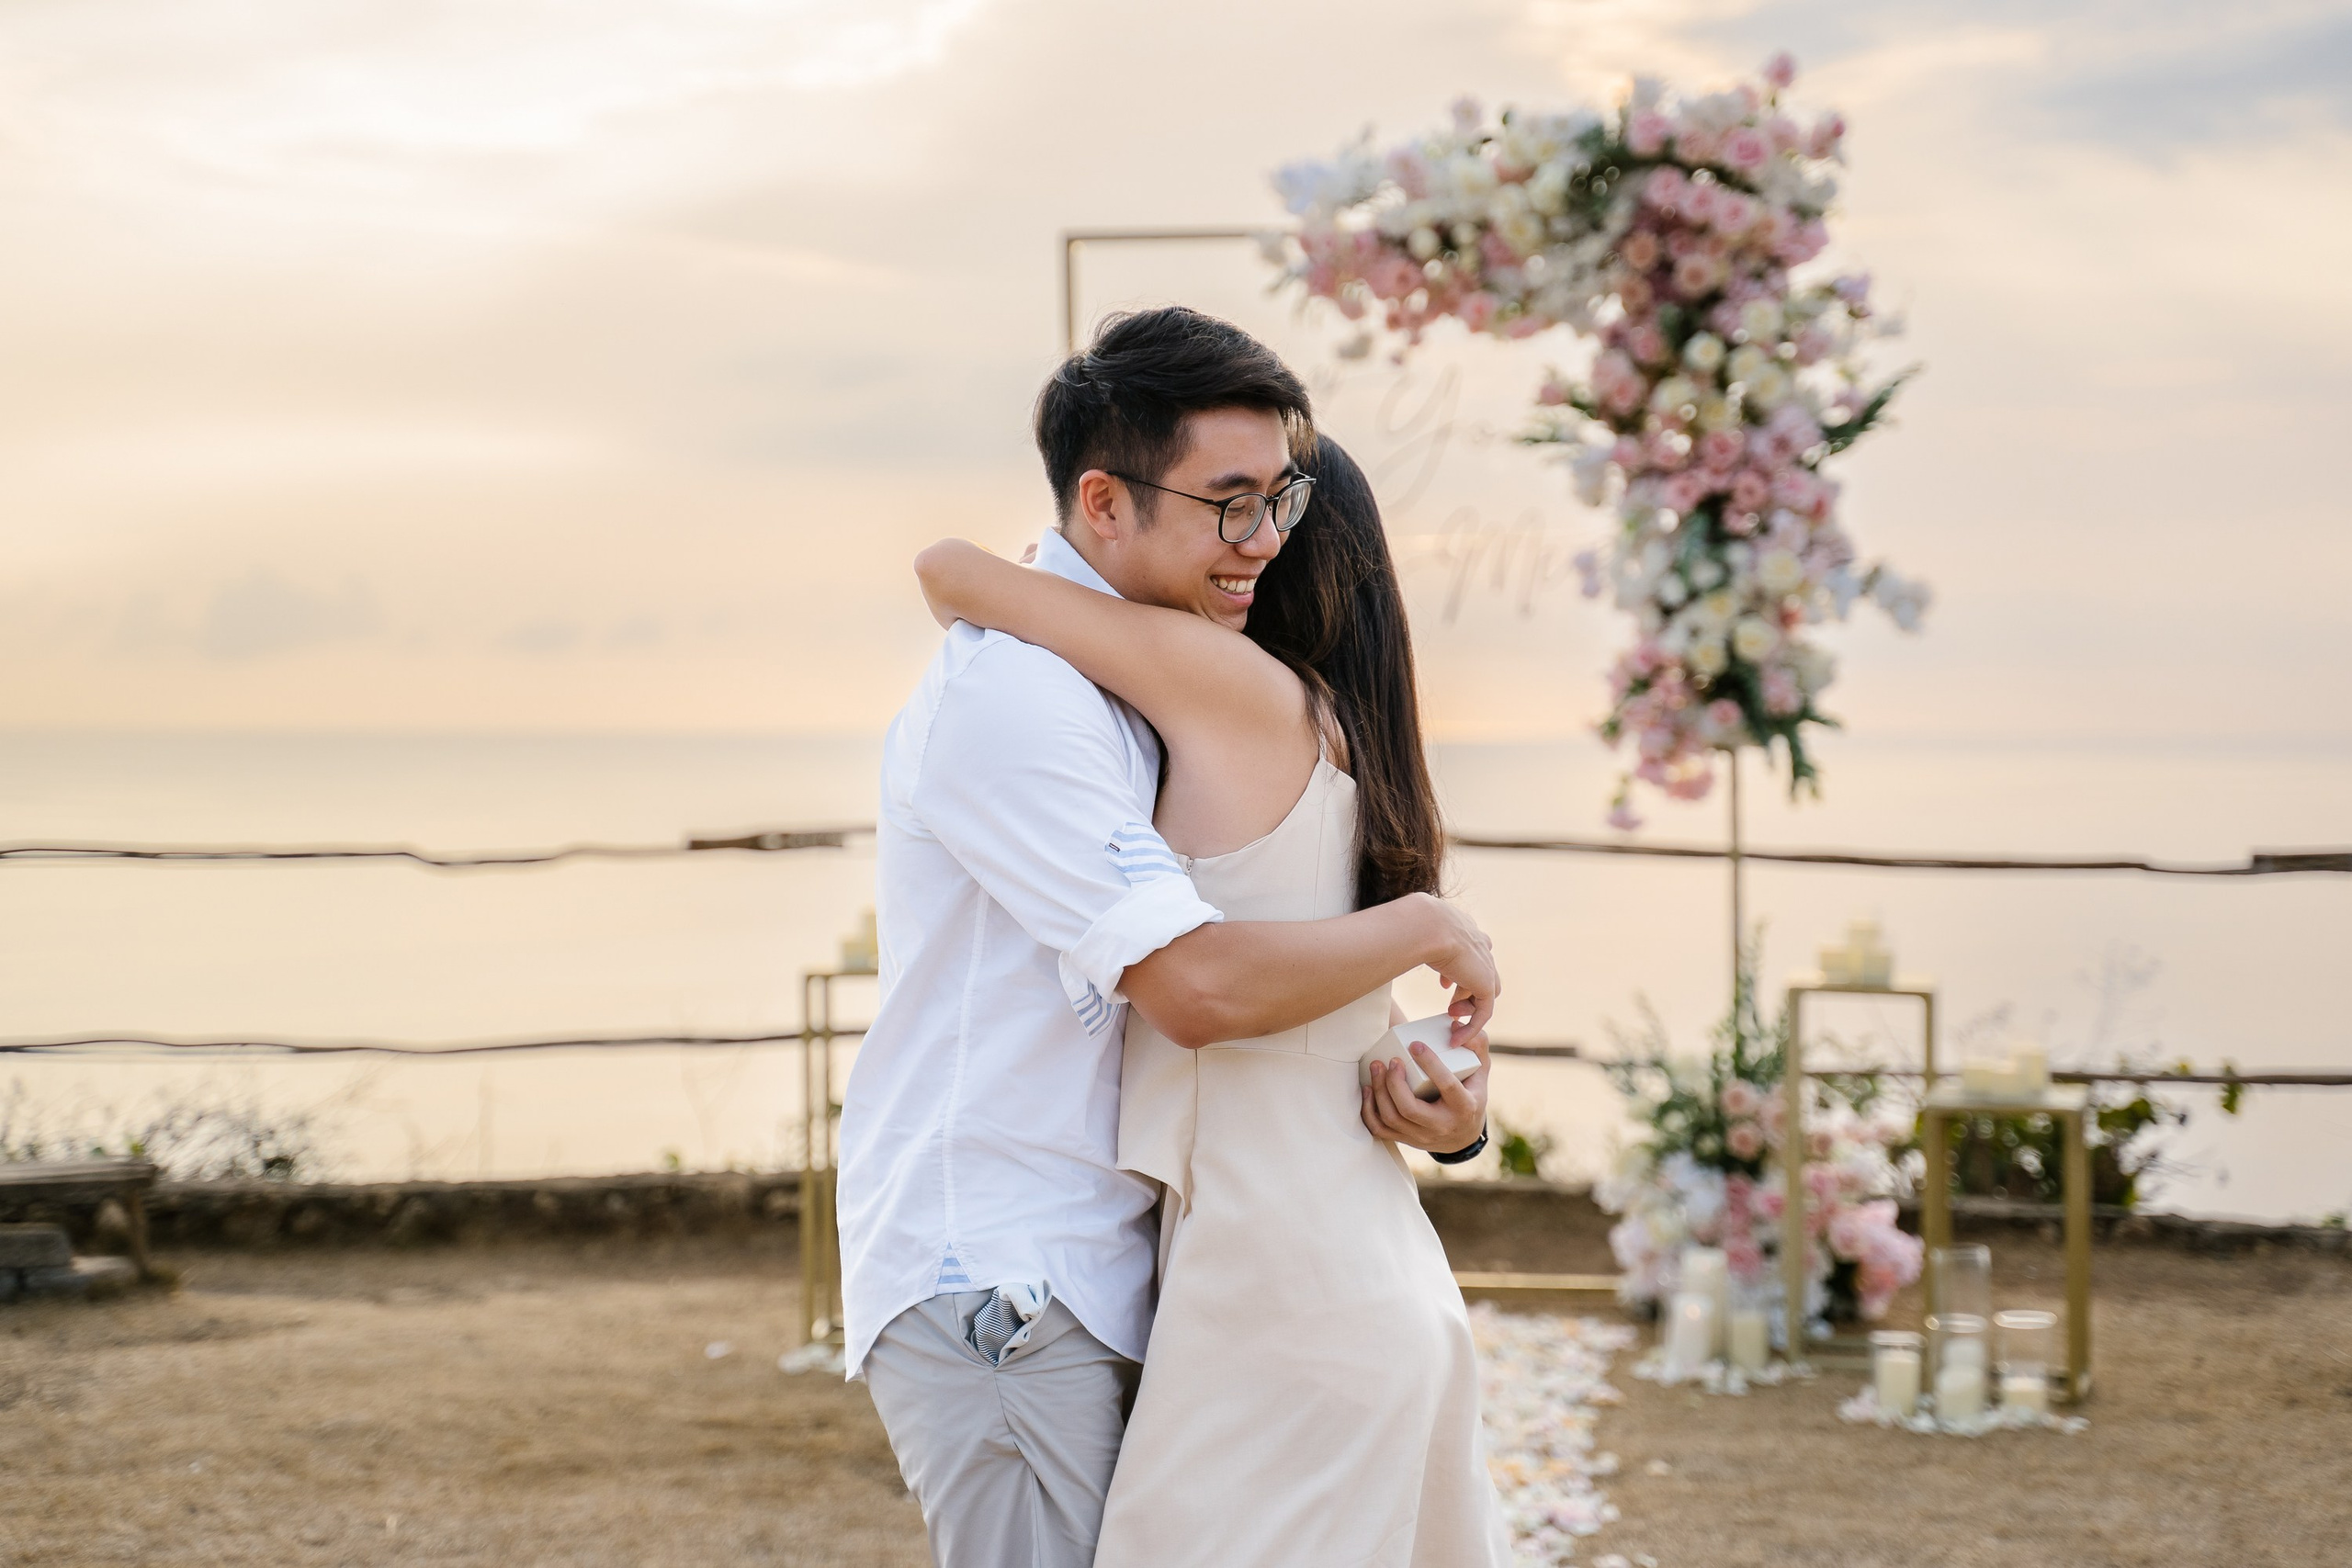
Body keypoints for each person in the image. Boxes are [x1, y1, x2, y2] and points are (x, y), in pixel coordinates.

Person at [838, 305, 1503, 1568]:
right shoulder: (1026, 692)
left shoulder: (1173, 695)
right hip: (1010, 1267)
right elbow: (1195, 986)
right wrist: (1431, 956)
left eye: (1283, 509)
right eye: (1232, 504)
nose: (1260, 542)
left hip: (1143, 1269)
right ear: (1104, 502)